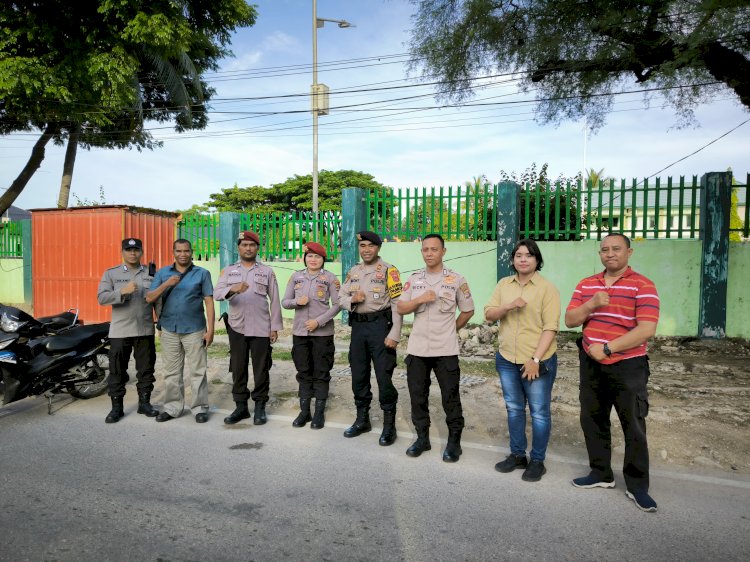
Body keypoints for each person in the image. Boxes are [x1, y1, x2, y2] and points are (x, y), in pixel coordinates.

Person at [565, 233, 660, 513]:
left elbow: (646, 329)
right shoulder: (587, 285)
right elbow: (570, 320)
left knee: (633, 423)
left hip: (628, 364)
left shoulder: (643, 285)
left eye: (616, 249)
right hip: (591, 364)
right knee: (592, 419)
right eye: (604, 250)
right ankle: (600, 473)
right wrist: (592, 304)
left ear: (629, 252)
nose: (610, 254)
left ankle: (637, 484)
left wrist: (607, 348)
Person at [484, 239, 560, 482]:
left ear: (537, 260)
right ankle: (518, 455)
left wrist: (535, 359)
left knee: (539, 412)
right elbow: (488, 314)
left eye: (529, 255)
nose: (523, 259)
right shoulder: (504, 284)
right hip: (507, 358)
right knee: (514, 408)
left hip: (537, 359)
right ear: (513, 260)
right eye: (518, 255)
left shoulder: (547, 288)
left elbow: (551, 328)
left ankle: (537, 460)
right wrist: (508, 306)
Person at [396, 234, 474, 462]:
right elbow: (401, 307)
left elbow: (468, 310)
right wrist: (419, 299)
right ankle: (422, 438)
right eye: (425, 249)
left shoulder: (456, 279)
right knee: (417, 396)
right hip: (418, 349)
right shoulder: (414, 279)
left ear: (443, 251)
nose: (429, 253)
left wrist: (452, 328)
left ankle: (453, 443)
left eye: (434, 249)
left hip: (446, 349)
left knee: (450, 397)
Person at [339, 230, 403, 445]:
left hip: (380, 328)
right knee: (358, 373)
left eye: (370, 246)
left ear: (378, 248)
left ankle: (389, 425)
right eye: (362, 246)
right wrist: (352, 301)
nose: (366, 250)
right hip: (358, 328)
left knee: (384, 376)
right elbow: (341, 297)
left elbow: (397, 304)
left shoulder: (389, 271)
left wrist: (395, 333)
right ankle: (362, 419)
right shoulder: (354, 271)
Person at [214, 231, 283, 425]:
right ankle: (241, 407)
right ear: (238, 248)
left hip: (261, 326)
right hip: (237, 326)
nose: (248, 248)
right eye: (244, 245)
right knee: (238, 367)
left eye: (252, 245)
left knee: (261, 368)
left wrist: (275, 327)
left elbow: (275, 300)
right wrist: (233, 289)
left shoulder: (266, 271)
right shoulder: (228, 271)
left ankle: (260, 406)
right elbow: (217, 293)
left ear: (257, 248)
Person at [145, 239, 215, 423]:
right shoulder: (162, 273)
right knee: (171, 371)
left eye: (186, 251)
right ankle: (173, 407)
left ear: (192, 252)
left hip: (195, 329)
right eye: (179, 251)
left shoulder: (202, 273)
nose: (183, 254)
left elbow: (209, 301)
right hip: (169, 329)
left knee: (198, 371)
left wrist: (211, 330)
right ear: (173, 252)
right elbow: (149, 298)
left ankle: (200, 408)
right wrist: (166, 284)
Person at [97, 238, 158, 423]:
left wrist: (161, 322)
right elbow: (102, 298)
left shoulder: (151, 273)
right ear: (122, 252)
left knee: (146, 370)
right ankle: (117, 408)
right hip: (120, 331)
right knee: (117, 371)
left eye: (136, 249)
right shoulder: (111, 274)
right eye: (129, 250)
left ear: (141, 252)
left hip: (145, 330)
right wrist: (122, 291)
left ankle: (144, 404)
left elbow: (158, 300)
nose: (133, 253)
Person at [281, 242, 341, 429]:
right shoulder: (296, 277)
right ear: (305, 258)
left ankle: (319, 413)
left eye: (317, 256)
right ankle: (304, 411)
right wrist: (297, 302)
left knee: (321, 372)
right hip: (300, 332)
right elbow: (285, 302)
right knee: (303, 371)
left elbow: (338, 305)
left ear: (323, 260)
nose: (312, 259)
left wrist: (319, 321)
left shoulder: (330, 278)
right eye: (309, 256)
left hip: (322, 333)